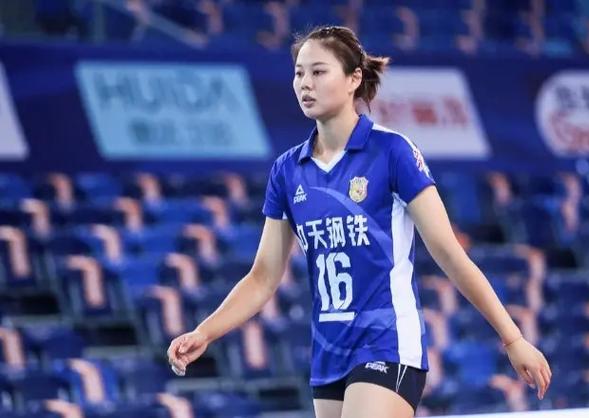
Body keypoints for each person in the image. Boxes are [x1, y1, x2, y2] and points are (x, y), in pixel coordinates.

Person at [167, 25, 551, 418]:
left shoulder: (392, 151)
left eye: (319, 72)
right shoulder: (287, 171)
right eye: (299, 73)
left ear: (353, 79)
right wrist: (205, 331)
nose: (305, 83)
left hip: (387, 343)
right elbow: (263, 276)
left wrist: (512, 338)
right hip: (329, 351)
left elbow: (450, 255)